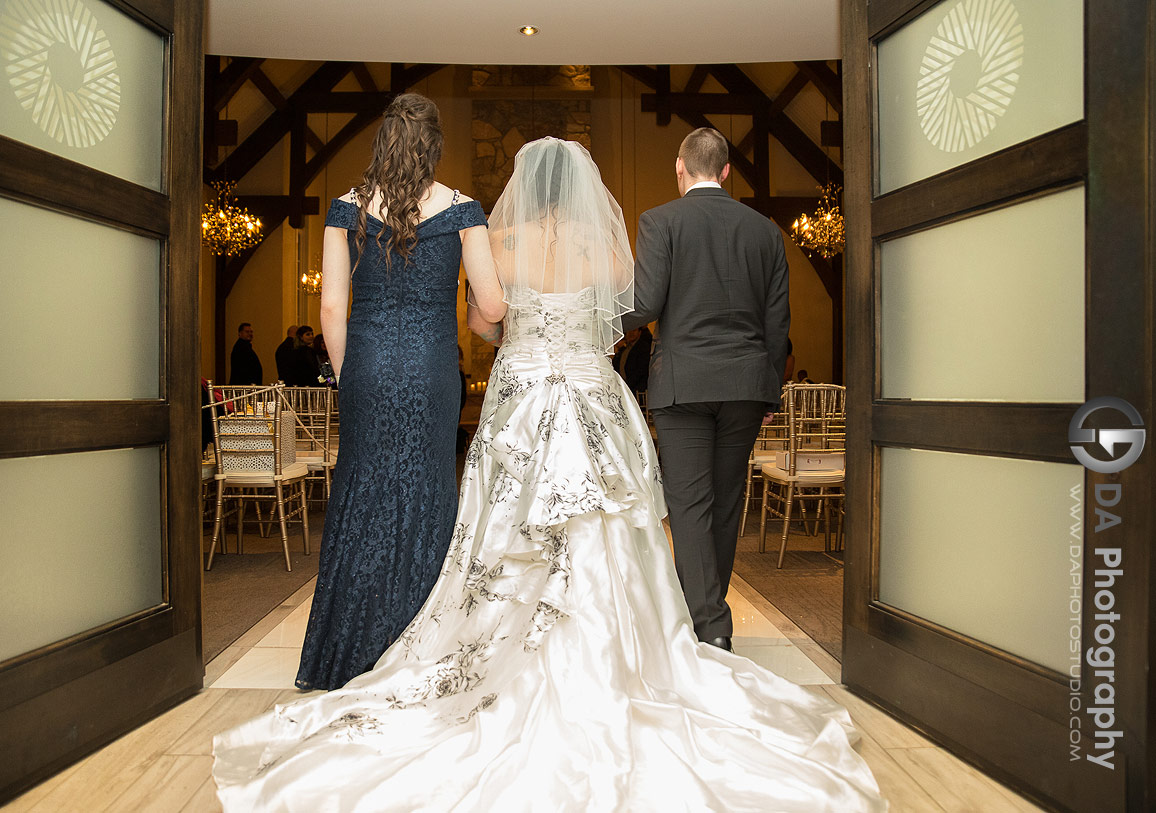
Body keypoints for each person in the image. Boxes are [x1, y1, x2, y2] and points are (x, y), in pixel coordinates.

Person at [212, 138, 884, 812]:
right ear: (583, 185)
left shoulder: (500, 237)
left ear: (526, 183)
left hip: (524, 395)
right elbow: (621, 318)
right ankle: (639, 655)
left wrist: (506, 327)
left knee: (501, 528)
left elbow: (486, 320)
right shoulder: (606, 241)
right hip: (593, 393)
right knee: (617, 529)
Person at [291, 93, 505, 692]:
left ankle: (351, 652)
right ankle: (424, 652)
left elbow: (332, 306)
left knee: (362, 491)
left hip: (366, 363)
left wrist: (348, 373)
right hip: (432, 367)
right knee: (428, 489)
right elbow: (490, 308)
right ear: (434, 146)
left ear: (382, 141)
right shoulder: (462, 209)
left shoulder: (345, 209)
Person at [622, 127, 790, 652]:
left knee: (689, 503)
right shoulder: (764, 232)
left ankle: (710, 624)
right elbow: (777, 323)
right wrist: (768, 391)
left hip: (684, 384)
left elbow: (645, 303)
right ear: (725, 171)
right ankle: (711, 614)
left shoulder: (660, 221)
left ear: (680, 168)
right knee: (725, 503)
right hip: (744, 384)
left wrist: (595, 321)